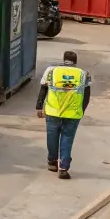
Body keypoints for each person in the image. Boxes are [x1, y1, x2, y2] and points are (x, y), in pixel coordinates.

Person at [37, 50, 90, 179]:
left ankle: (52, 162)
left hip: (52, 111)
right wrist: (82, 109)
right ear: (75, 62)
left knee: (52, 137)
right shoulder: (83, 74)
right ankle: (63, 168)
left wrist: (39, 106)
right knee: (67, 139)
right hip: (73, 113)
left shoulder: (52, 71)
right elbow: (87, 95)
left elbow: (43, 88)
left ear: (63, 59)